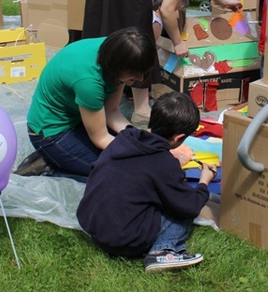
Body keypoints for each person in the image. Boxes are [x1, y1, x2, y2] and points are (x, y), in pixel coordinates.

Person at [83, 0, 242, 126]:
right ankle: (140, 110)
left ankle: (96, 92)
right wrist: (178, 43)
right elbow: (167, 9)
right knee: (138, 43)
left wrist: (223, 0)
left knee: (106, 35)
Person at [77, 92, 215, 272]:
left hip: (94, 225)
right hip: (125, 240)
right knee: (182, 207)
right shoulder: (163, 163)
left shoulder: (125, 138)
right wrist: (204, 182)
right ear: (178, 137)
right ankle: (163, 250)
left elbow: (139, 172)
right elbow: (189, 206)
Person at [22, 28, 157, 181]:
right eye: (134, 73)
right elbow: (101, 138)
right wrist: (143, 151)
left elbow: (111, 111)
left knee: (130, 155)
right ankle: (53, 167)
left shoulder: (118, 51)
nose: (139, 78)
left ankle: (63, 158)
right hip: (52, 132)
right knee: (118, 171)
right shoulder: (89, 82)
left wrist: (138, 137)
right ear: (118, 67)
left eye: (144, 72)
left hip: (80, 118)